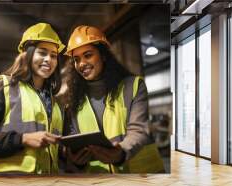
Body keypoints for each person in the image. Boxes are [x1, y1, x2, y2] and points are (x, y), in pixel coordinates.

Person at [0, 23, 65, 175]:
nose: (48, 60)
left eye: (53, 55)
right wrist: (22, 139)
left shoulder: (56, 104)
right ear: (28, 54)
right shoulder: (4, 89)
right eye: (42, 53)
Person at [63, 25, 164, 173]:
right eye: (76, 59)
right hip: (102, 184)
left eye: (88, 55)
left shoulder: (133, 86)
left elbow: (139, 130)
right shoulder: (73, 102)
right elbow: (76, 143)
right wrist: (76, 160)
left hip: (141, 179)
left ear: (103, 55)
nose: (82, 63)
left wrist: (121, 152)